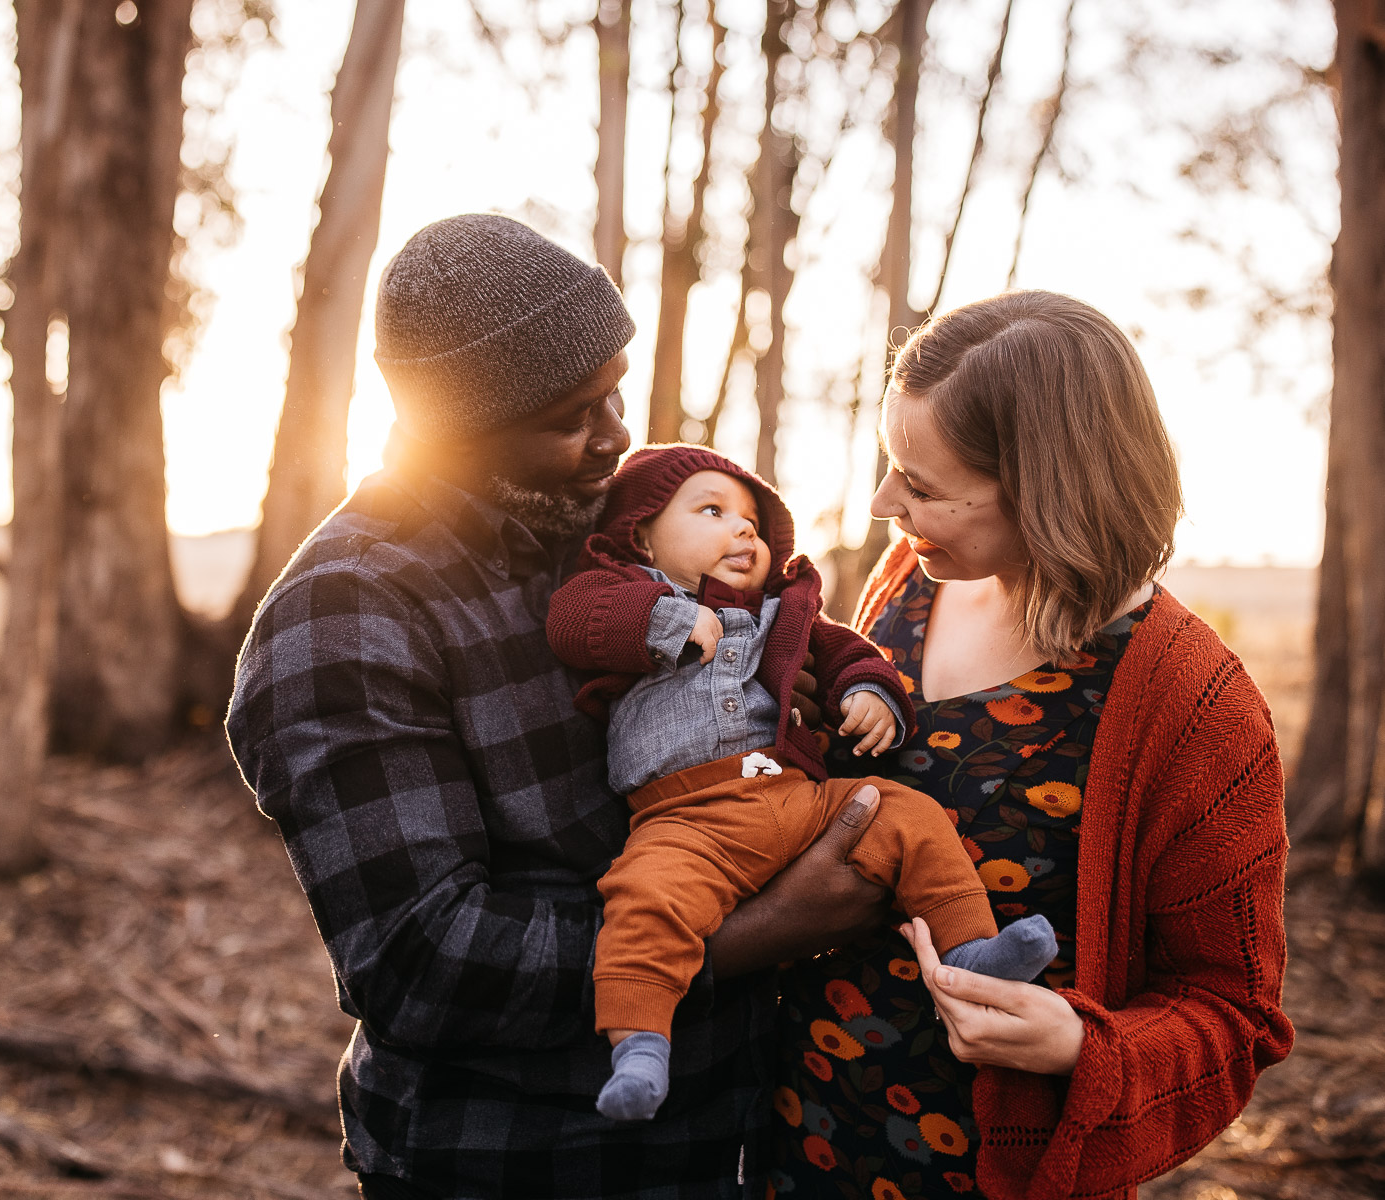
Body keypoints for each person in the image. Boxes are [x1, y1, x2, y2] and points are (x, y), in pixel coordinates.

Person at [226, 214, 872, 1199]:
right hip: (525, 1161)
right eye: (569, 416)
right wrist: (759, 927)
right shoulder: (349, 615)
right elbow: (426, 961)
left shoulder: (615, 534)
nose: (615, 436)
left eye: (612, 390)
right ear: (454, 429)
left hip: (727, 1133)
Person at [713, 291, 1294, 1200]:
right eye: (891, 466)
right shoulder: (909, 581)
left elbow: (1234, 1016)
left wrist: (1080, 1046)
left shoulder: (1196, 709)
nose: (881, 503)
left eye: (923, 485)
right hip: (796, 1136)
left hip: (989, 1174)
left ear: (1049, 490)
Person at [544, 444, 1059, 1123]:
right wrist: (661, 618)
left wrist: (871, 690)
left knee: (904, 815)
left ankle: (969, 948)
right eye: (712, 511)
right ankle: (640, 1045)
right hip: (685, 823)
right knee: (643, 902)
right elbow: (573, 623)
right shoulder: (617, 590)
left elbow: (845, 650)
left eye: (753, 522)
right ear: (641, 532)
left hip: (795, 800)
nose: (742, 530)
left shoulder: (780, 612)